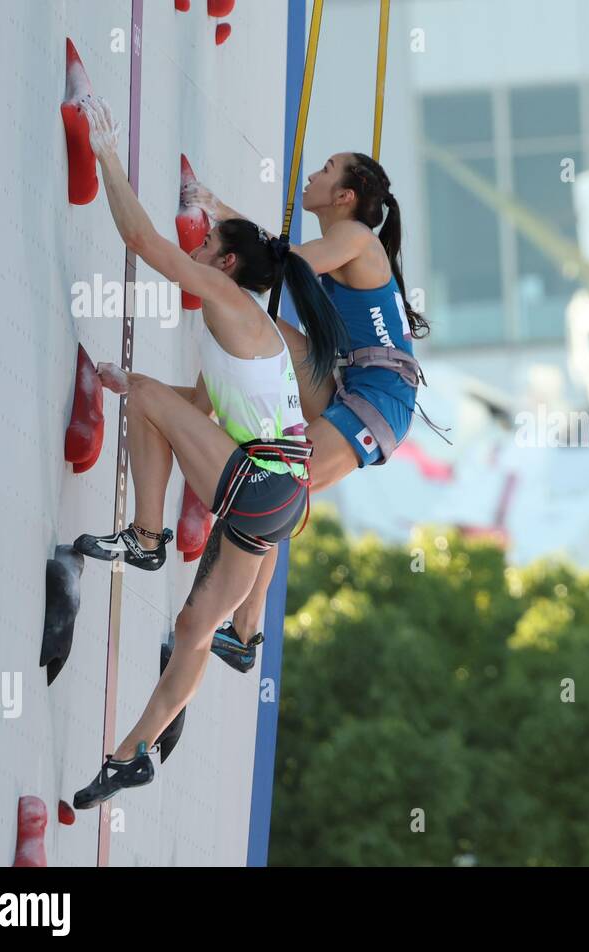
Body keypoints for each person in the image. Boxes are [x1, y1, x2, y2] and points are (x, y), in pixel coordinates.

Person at [68, 94, 349, 807]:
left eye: (203, 245)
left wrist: (106, 152)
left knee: (148, 397)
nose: (192, 250)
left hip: (264, 483)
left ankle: (146, 536)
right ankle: (132, 754)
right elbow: (197, 409)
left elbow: (142, 244)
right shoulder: (242, 326)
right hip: (281, 500)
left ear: (224, 263)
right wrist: (129, 386)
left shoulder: (227, 303)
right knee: (195, 628)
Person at [184, 152, 442, 667]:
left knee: (279, 484)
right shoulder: (340, 243)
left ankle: (240, 627)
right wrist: (223, 221)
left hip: (377, 400)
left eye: (326, 170)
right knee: (262, 331)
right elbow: (279, 261)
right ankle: (194, 410)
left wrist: (221, 219)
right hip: (355, 381)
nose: (313, 176)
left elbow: (279, 266)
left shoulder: (355, 240)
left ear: (345, 197)